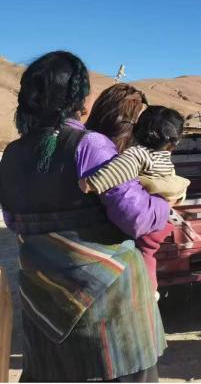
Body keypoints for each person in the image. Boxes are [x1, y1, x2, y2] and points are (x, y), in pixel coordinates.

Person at [0, 51, 170, 381]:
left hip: (44, 298)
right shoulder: (91, 145)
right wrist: (164, 203)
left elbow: (12, 219)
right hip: (109, 309)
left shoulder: (13, 154)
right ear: (78, 99)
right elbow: (135, 217)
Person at [80, 105, 190, 292]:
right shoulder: (164, 157)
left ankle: (147, 291)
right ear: (174, 141)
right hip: (163, 220)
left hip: (148, 223)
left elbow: (115, 172)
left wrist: (88, 183)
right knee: (148, 254)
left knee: (142, 255)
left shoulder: (137, 154)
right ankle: (151, 291)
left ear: (137, 129)